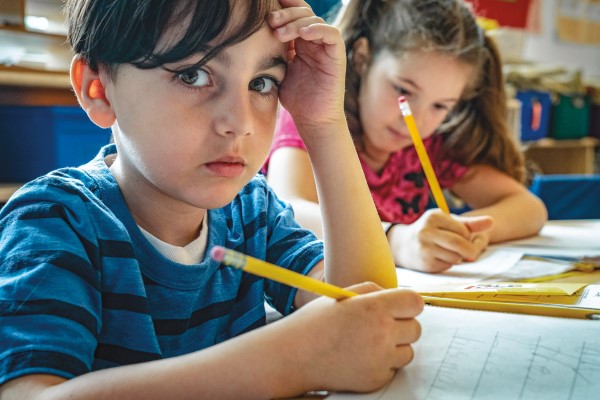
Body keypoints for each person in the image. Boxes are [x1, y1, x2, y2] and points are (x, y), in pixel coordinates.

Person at [0, 0, 424, 398]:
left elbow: (369, 316)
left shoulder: (251, 210)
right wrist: (285, 360)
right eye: (193, 75)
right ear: (99, 88)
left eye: (262, 83)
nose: (240, 123)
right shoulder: (54, 221)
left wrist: (323, 121)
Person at [265, 0, 548, 274]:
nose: (417, 120)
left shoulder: (430, 145)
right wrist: (397, 240)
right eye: (404, 91)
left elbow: (529, 208)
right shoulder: (314, 116)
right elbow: (289, 209)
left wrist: (464, 233)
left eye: (441, 106)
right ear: (363, 58)